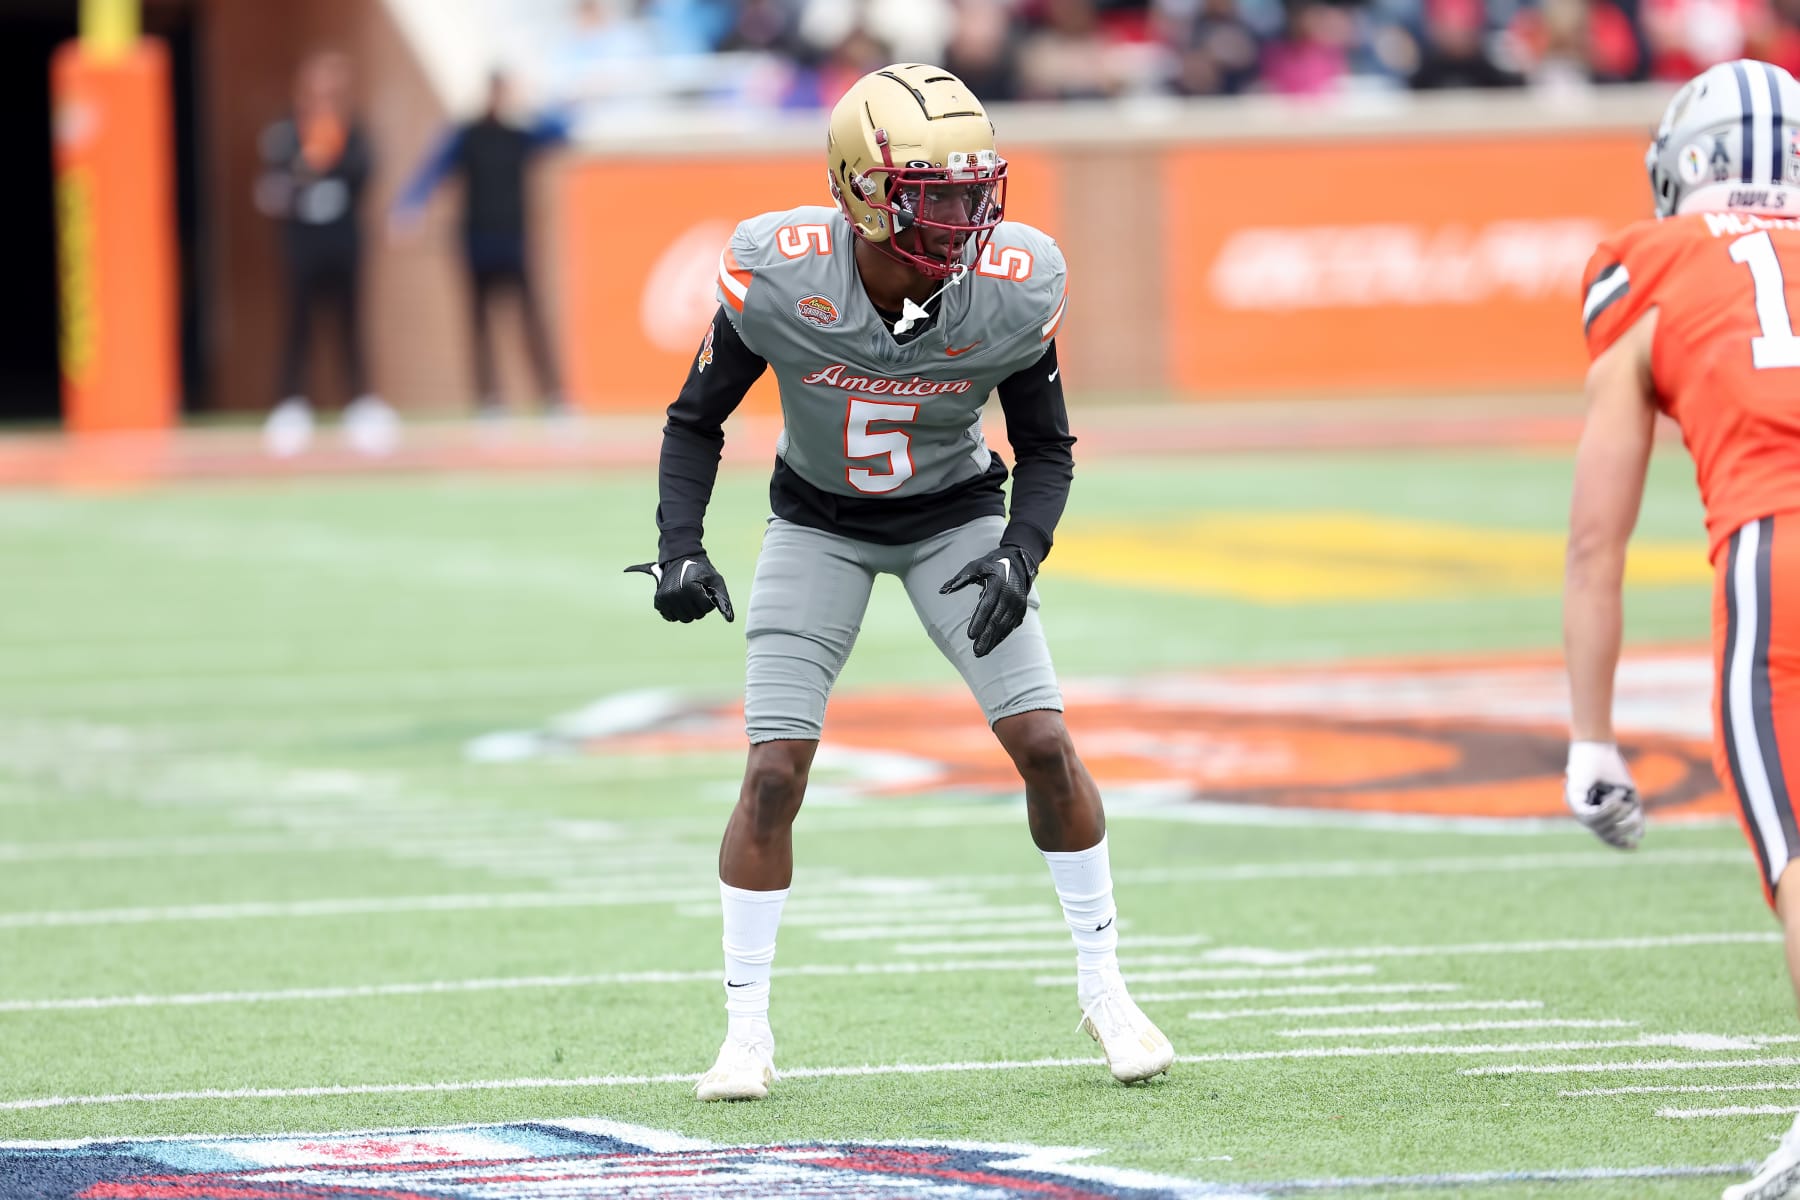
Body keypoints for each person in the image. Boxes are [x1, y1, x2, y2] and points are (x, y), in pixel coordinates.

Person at [627, 63, 1175, 1101]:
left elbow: (1048, 449)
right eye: (936, 195)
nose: (967, 217)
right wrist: (679, 542)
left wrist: (1022, 550)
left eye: (975, 191)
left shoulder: (1012, 285)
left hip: (955, 522)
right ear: (862, 190)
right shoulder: (782, 273)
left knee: (1047, 746)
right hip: (816, 525)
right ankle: (746, 1032)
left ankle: (1106, 988)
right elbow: (694, 419)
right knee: (774, 772)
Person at [1563, 58, 1800, 1200]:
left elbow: (1594, 544)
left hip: (1782, 550)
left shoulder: (1645, 266)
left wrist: (1593, 740)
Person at [392, 72, 569, 418]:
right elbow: (433, 170)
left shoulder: (521, 135)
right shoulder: (468, 135)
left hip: (514, 243)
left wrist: (530, 105)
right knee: (479, 326)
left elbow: (562, 131)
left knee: (529, 321)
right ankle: (490, 400)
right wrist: (409, 206)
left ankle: (553, 398)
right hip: (475, 242)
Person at [255, 51, 398, 458]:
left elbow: (363, 172)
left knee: (350, 321)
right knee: (298, 322)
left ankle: (361, 404)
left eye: (332, 88)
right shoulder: (285, 132)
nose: (324, 95)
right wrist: (306, 166)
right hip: (302, 241)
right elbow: (275, 183)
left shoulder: (353, 131)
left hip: (344, 238)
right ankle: (291, 406)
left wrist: (328, 157)